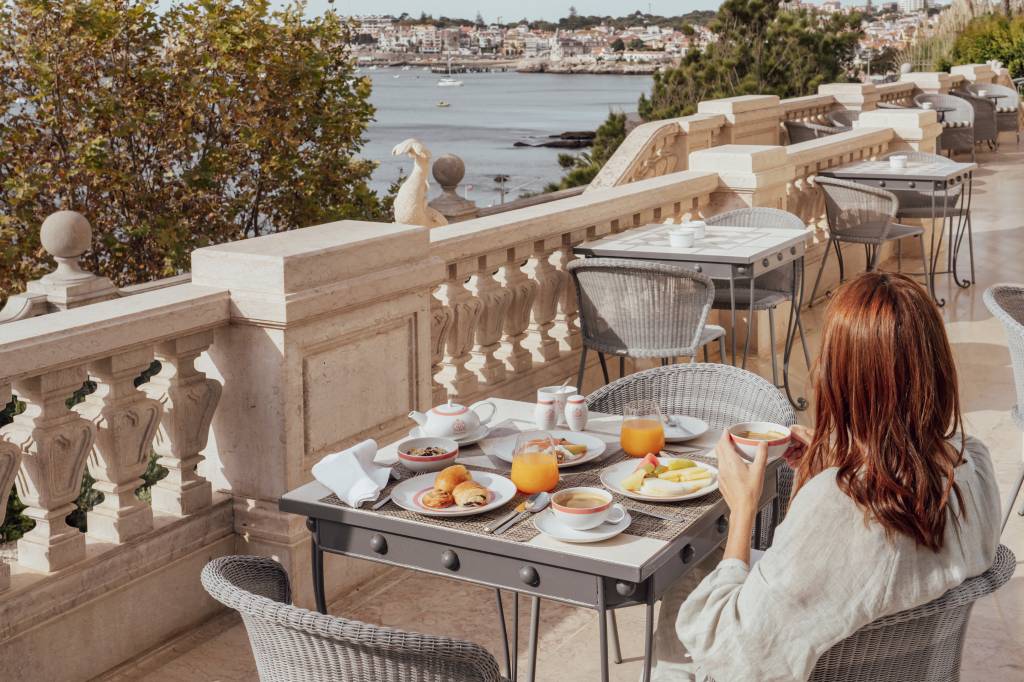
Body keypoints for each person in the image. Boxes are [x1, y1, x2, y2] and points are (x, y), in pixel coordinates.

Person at [651, 272, 1001, 681]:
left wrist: (742, 511)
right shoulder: (972, 465)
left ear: (842, 379)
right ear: (936, 369)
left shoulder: (841, 506)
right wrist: (838, 457)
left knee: (689, 582)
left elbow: (727, 649)